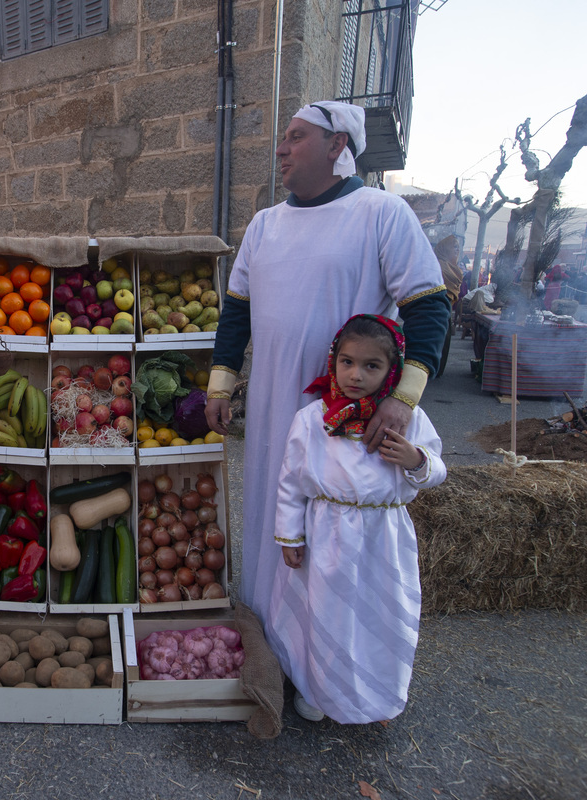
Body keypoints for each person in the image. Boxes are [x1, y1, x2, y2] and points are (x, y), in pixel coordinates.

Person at [204, 100, 449, 619]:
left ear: (337, 145)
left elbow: (429, 309)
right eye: (283, 138)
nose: (281, 149)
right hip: (273, 408)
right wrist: (220, 385)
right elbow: (236, 315)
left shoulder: (382, 213)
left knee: (330, 536)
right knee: (275, 511)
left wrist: (403, 401)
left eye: (295, 137)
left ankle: (323, 665)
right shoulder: (263, 225)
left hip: (345, 416)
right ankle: (267, 635)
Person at [266, 315, 447, 723]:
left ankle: (376, 693)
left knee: (380, 618)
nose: (356, 375)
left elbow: (438, 470)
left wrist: (416, 460)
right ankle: (319, 691)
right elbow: (291, 483)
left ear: (392, 371)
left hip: (382, 542)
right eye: (347, 362)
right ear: (333, 361)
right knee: (324, 615)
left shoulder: (408, 420)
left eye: (371, 366)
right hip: (326, 537)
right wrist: (290, 537)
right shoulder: (312, 419)